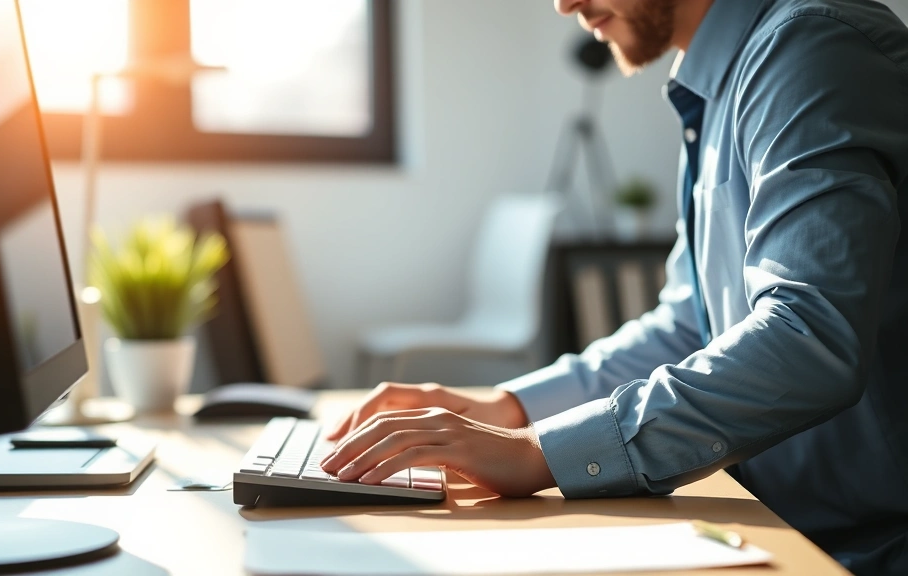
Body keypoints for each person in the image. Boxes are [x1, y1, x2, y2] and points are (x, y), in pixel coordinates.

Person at [319, 0, 908, 573]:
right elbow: (688, 326)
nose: (564, 5)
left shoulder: (811, 47)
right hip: (779, 525)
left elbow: (807, 335)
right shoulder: (721, 87)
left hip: (866, 548)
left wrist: (542, 452)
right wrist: (509, 409)